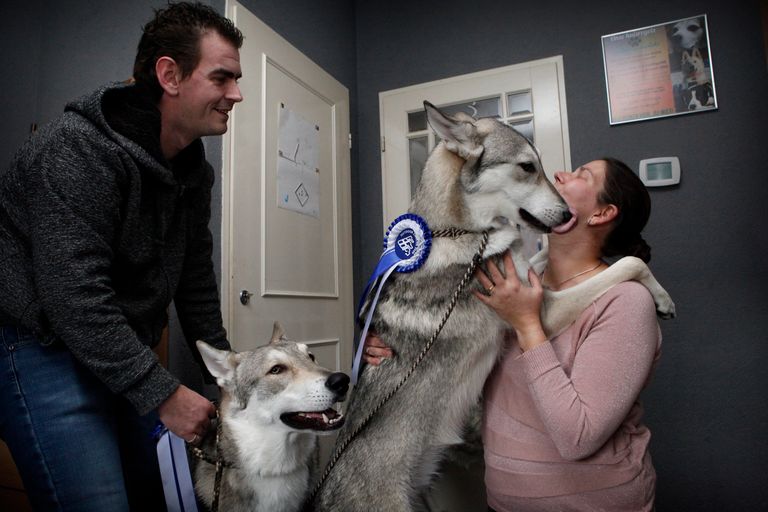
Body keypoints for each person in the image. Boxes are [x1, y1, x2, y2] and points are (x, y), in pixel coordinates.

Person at [0, 3, 243, 510]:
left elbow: (195, 282)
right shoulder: (75, 149)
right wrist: (162, 393)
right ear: (169, 75)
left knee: (159, 493)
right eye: (222, 78)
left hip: (115, 341)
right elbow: (74, 297)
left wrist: (229, 380)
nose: (236, 94)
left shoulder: (194, 173)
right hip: (38, 340)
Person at [364, 158, 662, 511]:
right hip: (503, 502)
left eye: (583, 175)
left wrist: (526, 324)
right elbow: (459, 371)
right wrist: (396, 351)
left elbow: (578, 436)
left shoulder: (626, 302)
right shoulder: (508, 283)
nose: (560, 174)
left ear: (601, 214)